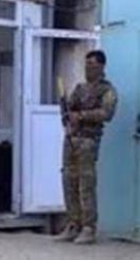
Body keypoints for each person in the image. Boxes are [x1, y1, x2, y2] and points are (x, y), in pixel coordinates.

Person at [54, 50, 118, 245]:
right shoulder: (80, 88)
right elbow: (70, 108)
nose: (88, 68)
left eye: (92, 64)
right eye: (86, 64)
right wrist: (67, 112)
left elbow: (107, 113)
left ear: (101, 66)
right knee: (69, 181)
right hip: (72, 139)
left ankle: (89, 227)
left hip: (88, 141)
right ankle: (73, 224)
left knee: (86, 184)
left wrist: (81, 116)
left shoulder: (107, 90)